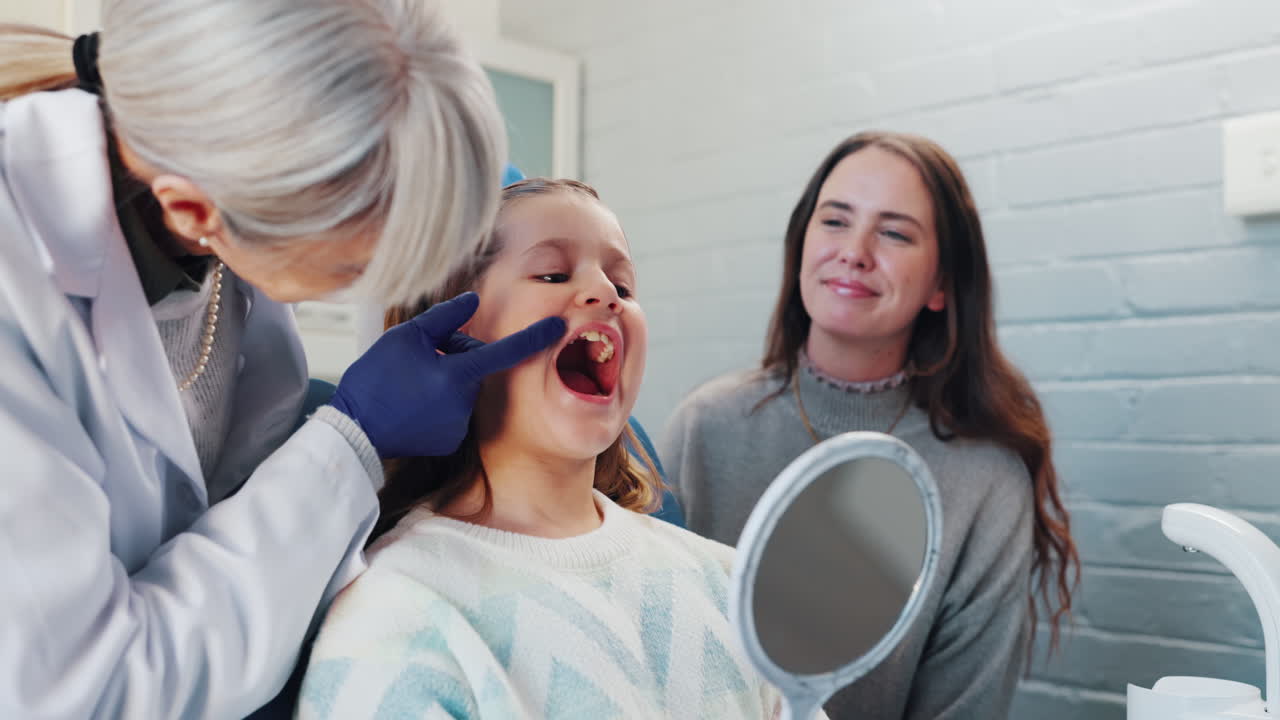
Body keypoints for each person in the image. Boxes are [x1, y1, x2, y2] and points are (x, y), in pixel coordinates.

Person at [0, 3, 566, 718]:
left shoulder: (223, 214)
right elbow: (86, 690)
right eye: (362, 260)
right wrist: (353, 440)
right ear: (199, 212)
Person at [294, 178, 805, 719]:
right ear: (449, 333)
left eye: (624, 288)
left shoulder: (729, 585)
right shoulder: (395, 612)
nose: (606, 293)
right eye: (553, 273)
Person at [660, 131, 1080, 719]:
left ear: (940, 285)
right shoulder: (704, 428)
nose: (854, 251)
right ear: (802, 243)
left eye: (894, 233)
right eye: (834, 221)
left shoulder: (984, 483)